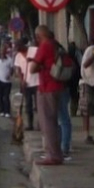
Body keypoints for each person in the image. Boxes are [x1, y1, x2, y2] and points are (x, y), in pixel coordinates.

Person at [27, 26, 69, 165]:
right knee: (56, 121)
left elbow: (32, 69)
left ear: (38, 36)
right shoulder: (56, 44)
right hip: (59, 86)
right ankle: (57, 152)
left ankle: (53, 156)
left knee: (48, 123)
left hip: (47, 88)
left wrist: (38, 64)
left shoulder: (44, 46)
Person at [14, 38, 38, 131]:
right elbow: (18, 69)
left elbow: (41, 60)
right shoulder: (18, 56)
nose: (18, 50)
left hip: (37, 82)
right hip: (26, 84)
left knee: (39, 105)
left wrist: (32, 59)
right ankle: (30, 124)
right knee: (28, 105)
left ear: (23, 45)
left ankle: (40, 124)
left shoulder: (34, 50)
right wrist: (21, 80)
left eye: (18, 47)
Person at [0, 42, 15, 118]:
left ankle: (7, 111)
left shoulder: (9, 60)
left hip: (7, 82)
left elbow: (12, 69)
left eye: (4, 50)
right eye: (1, 50)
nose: (2, 52)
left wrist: (10, 75)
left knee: (6, 97)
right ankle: (1, 110)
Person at [66, 41, 82, 117]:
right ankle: (73, 112)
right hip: (74, 79)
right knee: (74, 95)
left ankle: (72, 111)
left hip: (69, 79)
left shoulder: (67, 58)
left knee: (71, 95)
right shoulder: (76, 57)